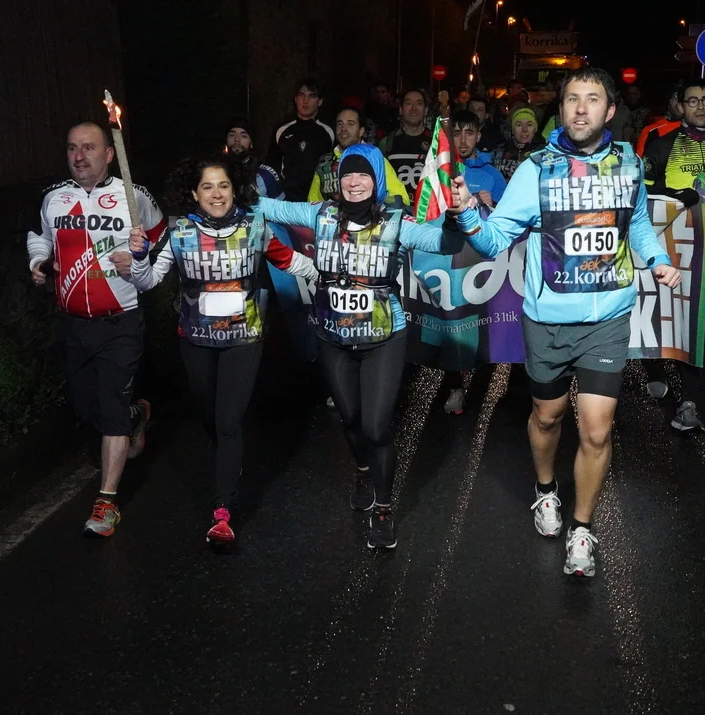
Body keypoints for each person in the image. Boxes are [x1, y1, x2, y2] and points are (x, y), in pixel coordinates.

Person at [449, 68, 681, 577]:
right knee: (548, 417)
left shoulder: (628, 164)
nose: (580, 108)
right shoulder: (536, 170)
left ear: (610, 111)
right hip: (549, 321)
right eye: (572, 98)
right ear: (561, 110)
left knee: (596, 432)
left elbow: (638, 223)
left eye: (592, 99)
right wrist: (467, 213)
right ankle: (546, 488)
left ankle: (582, 527)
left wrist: (656, 258)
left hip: (608, 319)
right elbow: (493, 240)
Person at [254, 143, 463, 550]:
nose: (353, 182)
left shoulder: (396, 222)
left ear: (376, 181)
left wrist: (457, 219)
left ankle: (383, 508)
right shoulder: (321, 214)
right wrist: (229, 191)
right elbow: (268, 208)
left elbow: (445, 244)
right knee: (350, 419)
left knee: (376, 426)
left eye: (362, 175)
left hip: (384, 337)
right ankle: (364, 470)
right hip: (333, 336)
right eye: (347, 174)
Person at [128, 156, 318, 544]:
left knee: (229, 421)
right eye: (208, 187)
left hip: (243, 339)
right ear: (195, 193)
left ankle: (223, 511)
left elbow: (292, 261)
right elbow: (145, 282)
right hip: (196, 340)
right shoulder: (180, 232)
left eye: (224, 186)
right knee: (210, 416)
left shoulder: (255, 227)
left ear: (235, 190)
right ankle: (227, 459)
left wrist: (332, 273)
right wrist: (138, 256)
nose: (217, 194)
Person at [26, 122, 166, 538]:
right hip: (73, 324)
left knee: (109, 413)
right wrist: (38, 262)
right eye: (72, 148)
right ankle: (135, 415)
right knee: (88, 410)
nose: (79, 156)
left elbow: (165, 239)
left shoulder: (134, 196)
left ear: (109, 154)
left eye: (88, 148)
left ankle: (106, 503)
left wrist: (140, 261)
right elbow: (40, 237)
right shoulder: (55, 197)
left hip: (120, 321)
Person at [642, 78, 705, 432]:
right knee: (661, 314)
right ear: (680, 106)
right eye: (692, 101)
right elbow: (642, 198)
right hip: (672, 247)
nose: (700, 107)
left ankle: (689, 401)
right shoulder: (661, 146)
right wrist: (673, 195)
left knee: (698, 325)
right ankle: (653, 368)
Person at [441, 109, 508, 414]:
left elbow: (509, 222)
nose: (463, 139)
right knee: (451, 321)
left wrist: (492, 205)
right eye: (457, 133)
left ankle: (480, 389)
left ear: (479, 136)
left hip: (482, 262)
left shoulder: (492, 175)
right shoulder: (440, 171)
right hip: (449, 259)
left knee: (481, 323)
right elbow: (427, 213)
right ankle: (455, 387)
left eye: (469, 133)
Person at [311, 107, 409, 204]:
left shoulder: (374, 159)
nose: (343, 128)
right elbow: (312, 203)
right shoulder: (325, 163)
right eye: (340, 124)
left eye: (350, 124)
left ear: (361, 131)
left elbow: (400, 199)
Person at [267, 78, 335, 201]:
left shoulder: (328, 132)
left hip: (317, 200)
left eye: (311, 96)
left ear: (320, 101)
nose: (305, 101)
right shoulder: (282, 130)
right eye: (301, 95)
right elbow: (271, 167)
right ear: (295, 99)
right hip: (287, 200)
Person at [379, 89, 431, 197]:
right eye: (408, 103)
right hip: (396, 206)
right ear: (401, 110)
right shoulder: (387, 142)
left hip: (428, 206)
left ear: (426, 110)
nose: (414, 108)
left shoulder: (436, 141)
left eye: (419, 103)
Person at [225, 117, 284, 200]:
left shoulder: (265, 174)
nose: (237, 139)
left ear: (251, 143)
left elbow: (279, 207)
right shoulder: (218, 172)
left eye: (243, 136)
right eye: (232, 135)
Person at [492, 106, 542, 180]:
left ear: (535, 129)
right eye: (519, 125)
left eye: (529, 125)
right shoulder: (499, 151)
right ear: (513, 129)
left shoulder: (543, 153)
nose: (524, 129)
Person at [635, 81, 683, 157]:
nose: (680, 102)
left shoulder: (697, 129)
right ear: (669, 101)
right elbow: (641, 162)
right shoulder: (651, 131)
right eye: (676, 97)